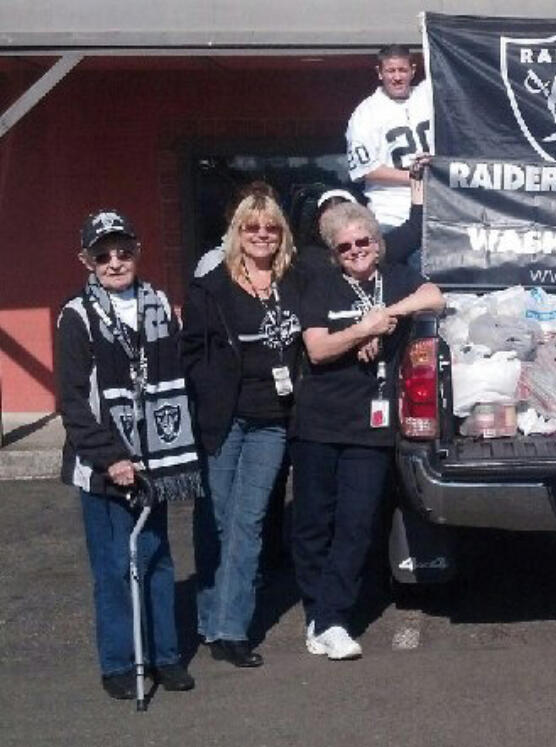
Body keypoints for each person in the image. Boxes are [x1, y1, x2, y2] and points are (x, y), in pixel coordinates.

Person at [55, 210, 203, 699]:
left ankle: (164, 656)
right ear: (86, 261)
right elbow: (73, 402)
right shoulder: (76, 315)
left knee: (157, 557)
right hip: (104, 464)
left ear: (136, 251)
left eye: (123, 251)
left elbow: (176, 370)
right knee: (115, 565)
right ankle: (120, 661)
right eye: (103, 255)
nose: (115, 262)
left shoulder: (157, 301)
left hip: (153, 457)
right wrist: (110, 456)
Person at [292, 202, 444, 659]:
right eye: (346, 246)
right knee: (313, 525)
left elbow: (435, 296)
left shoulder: (395, 276)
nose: (356, 250)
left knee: (357, 524)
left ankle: (334, 618)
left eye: (364, 242)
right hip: (319, 422)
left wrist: (387, 316)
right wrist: (363, 330)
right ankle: (316, 614)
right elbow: (317, 350)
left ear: (377, 244)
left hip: (372, 426)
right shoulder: (319, 285)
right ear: (334, 253)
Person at [181, 190, 304, 668]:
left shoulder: (295, 281)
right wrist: (210, 394)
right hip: (224, 418)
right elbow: (190, 352)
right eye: (251, 227)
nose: (261, 235)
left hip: (271, 422)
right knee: (214, 519)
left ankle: (232, 630)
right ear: (237, 232)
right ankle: (208, 618)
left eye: (270, 227)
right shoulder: (210, 287)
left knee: (247, 522)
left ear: (281, 233)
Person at [346, 44, 433, 231]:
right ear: (379, 72)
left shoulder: (428, 96)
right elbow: (366, 169)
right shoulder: (366, 113)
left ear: (413, 71)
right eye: (390, 71)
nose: (397, 77)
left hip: (437, 211)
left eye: (402, 70)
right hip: (392, 215)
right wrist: (415, 177)